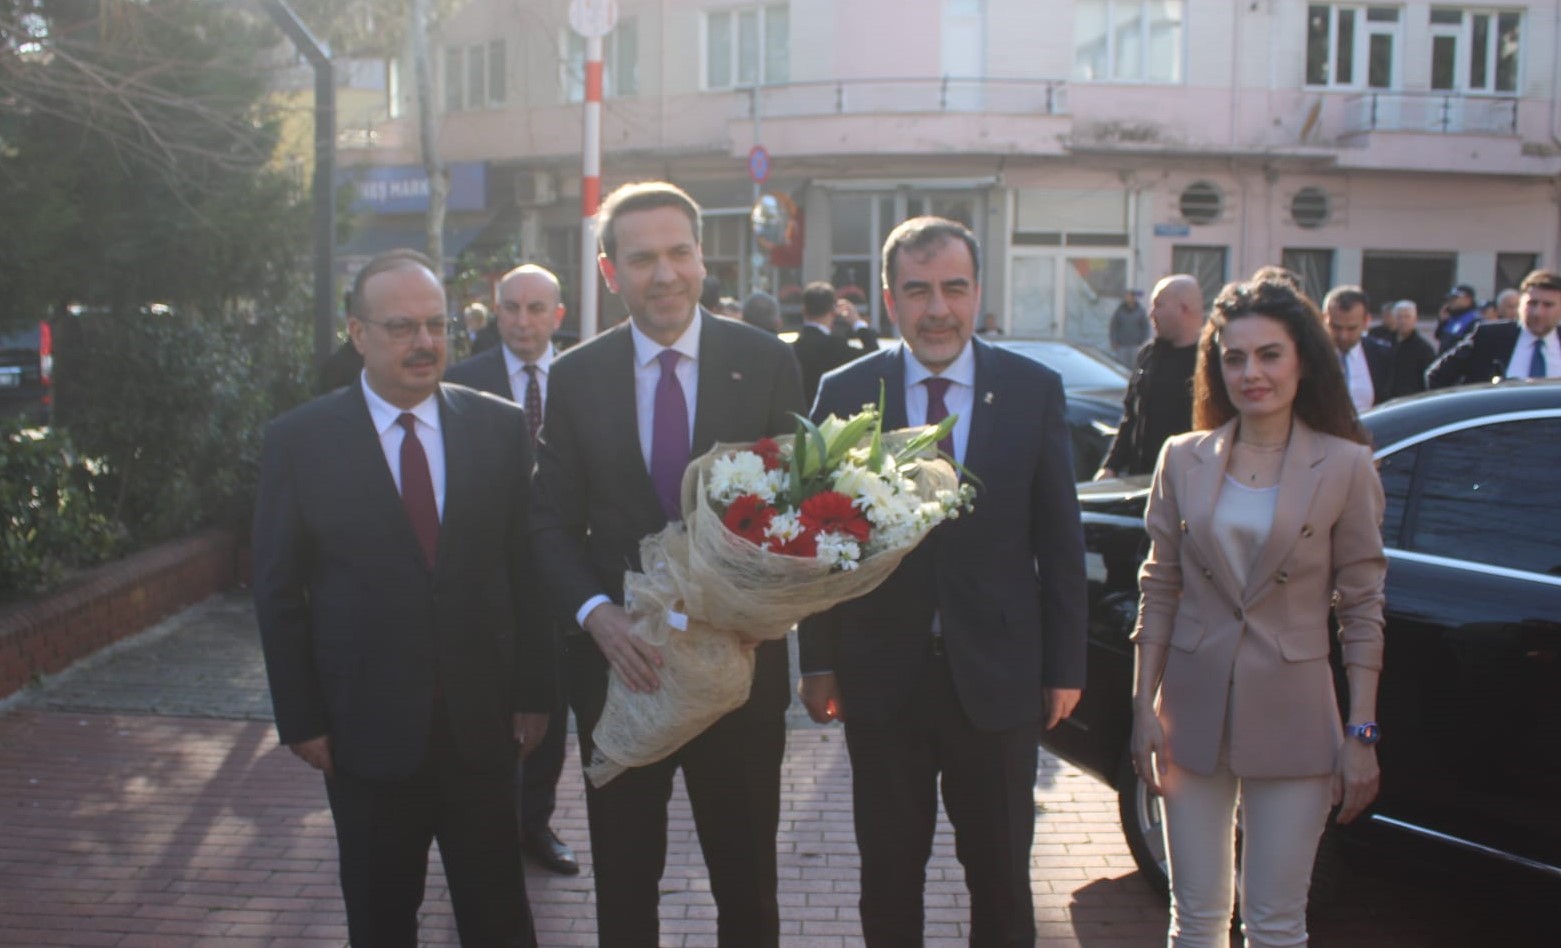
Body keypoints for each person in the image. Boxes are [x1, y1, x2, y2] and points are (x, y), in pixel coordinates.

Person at [798, 216, 1088, 947]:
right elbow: (819, 540)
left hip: (997, 684)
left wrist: (1063, 666)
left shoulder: (1029, 389)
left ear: (977, 293)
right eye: (917, 290)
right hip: (879, 678)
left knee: (998, 878)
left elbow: (1058, 541)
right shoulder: (845, 389)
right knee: (888, 878)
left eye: (953, 289)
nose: (937, 309)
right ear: (889, 301)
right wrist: (820, 659)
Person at [529, 181, 805, 947]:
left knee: (746, 886)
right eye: (641, 258)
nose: (664, 273)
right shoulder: (577, 377)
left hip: (740, 672)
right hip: (625, 671)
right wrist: (597, 616)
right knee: (623, 884)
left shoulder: (762, 361)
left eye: (678, 252)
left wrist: (762, 605)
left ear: (701, 257)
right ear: (611, 272)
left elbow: (800, 513)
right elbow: (548, 522)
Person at [252, 249, 551, 948]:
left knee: (499, 917)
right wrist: (300, 719)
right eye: (400, 327)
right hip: (364, 735)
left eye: (436, 325)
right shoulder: (300, 441)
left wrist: (536, 693)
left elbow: (525, 569)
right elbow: (277, 589)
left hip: (483, 728)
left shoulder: (499, 428)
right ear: (357, 333)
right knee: (381, 917)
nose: (424, 343)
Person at [1131, 273, 1386, 948]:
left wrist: (1360, 733)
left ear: (1301, 357)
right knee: (1194, 919)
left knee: (1275, 922)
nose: (1251, 373)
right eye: (1234, 357)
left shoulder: (1345, 466)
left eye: (1268, 354)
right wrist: (1140, 708)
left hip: (1296, 715)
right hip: (1189, 710)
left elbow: (1360, 606)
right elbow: (1158, 587)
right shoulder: (1181, 459)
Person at [445, 263, 579, 877]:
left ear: (559, 315)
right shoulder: (459, 382)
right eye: (510, 308)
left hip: (566, 571)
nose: (522, 320)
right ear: (495, 313)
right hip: (490, 577)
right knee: (490, 706)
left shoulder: (582, 378)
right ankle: (483, 825)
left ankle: (533, 823)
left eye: (535, 308)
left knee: (549, 706)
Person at [1097, 274, 1204, 479]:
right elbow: (1130, 417)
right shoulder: (1149, 355)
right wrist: (1110, 467)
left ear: (1184, 309)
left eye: (1158, 305)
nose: (1151, 314)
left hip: (1190, 482)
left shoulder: (1211, 359)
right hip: (1142, 479)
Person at [1427, 267, 1561, 387]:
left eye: (1548, 305)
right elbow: (1436, 376)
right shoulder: (1490, 337)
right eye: (1532, 303)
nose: (1537, 312)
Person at [791, 280, 879, 404]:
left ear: (804, 310)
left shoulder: (792, 348)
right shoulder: (836, 347)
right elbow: (874, 357)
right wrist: (857, 322)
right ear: (834, 311)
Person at [1322, 285, 1394, 413]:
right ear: (1324, 319)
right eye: (1336, 327)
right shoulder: (1309, 355)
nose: (1343, 336)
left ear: (1366, 321)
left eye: (1351, 328)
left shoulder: (1383, 356)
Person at [1381, 299, 1434, 399]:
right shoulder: (1385, 343)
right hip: (1386, 399)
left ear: (1415, 319)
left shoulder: (1424, 349)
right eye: (1399, 317)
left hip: (1409, 400)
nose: (1403, 321)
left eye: (1407, 317)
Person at [1109, 288, 1151, 366]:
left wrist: (1144, 342)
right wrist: (1114, 341)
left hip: (1136, 345)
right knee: (1121, 366)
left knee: (1134, 366)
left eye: (1130, 296)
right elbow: (1113, 327)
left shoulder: (1140, 311)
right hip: (1122, 345)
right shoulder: (1119, 311)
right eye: (1127, 296)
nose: (1128, 298)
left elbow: (1145, 327)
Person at [1435, 283, 1481, 352]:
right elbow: (1440, 337)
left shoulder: (1474, 320)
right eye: (1450, 298)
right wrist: (1442, 322)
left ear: (1468, 299)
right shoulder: (1452, 317)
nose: (1451, 301)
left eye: (1455, 298)